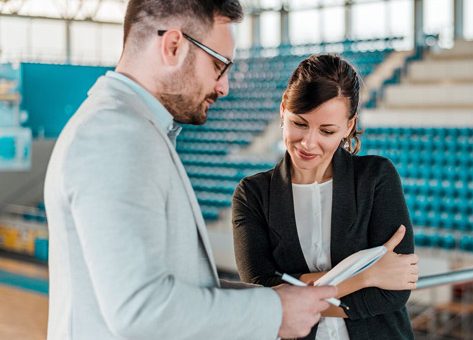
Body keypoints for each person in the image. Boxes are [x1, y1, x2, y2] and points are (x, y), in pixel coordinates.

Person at [43, 1, 336, 339]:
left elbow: (173, 287)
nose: (223, 87)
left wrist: (273, 300)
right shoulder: (117, 136)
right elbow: (141, 310)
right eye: (219, 65)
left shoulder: (130, 128)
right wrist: (276, 313)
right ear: (173, 46)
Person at [232, 54, 419, 340]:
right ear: (283, 109)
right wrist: (365, 276)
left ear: (348, 126)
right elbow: (262, 292)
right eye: (300, 124)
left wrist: (294, 297)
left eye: (327, 130)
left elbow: (395, 292)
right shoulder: (253, 194)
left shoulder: (375, 177)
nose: (308, 142)